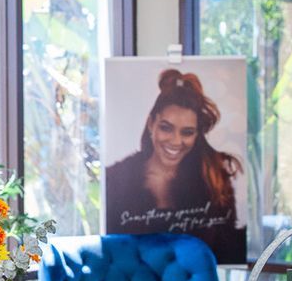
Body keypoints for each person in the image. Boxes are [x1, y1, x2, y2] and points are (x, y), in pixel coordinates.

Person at [104, 69, 246, 262]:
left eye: (187, 132)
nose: (176, 141)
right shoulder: (116, 179)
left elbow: (226, 248)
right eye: (166, 128)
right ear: (151, 123)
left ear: (197, 135)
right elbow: (114, 254)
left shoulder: (215, 178)